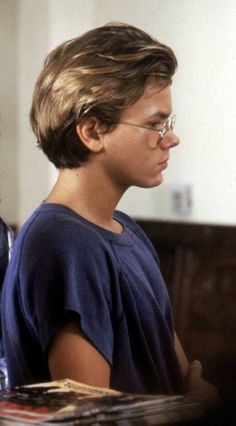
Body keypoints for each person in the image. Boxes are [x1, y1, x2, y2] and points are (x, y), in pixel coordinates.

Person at [2, 22, 219, 406]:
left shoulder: (127, 231)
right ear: (92, 131)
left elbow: (181, 376)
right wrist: (194, 406)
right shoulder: (62, 243)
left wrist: (193, 400)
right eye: (155, 124)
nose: (171, 138)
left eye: (169, 123)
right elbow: (91, 415)